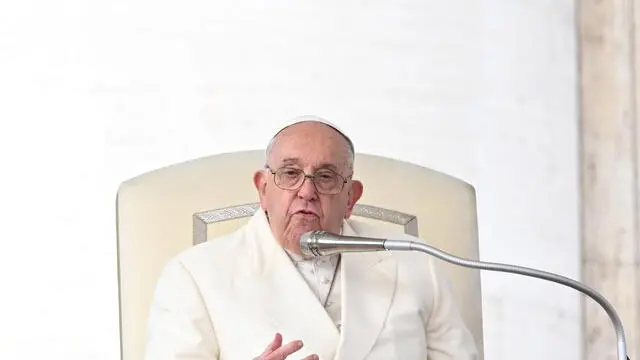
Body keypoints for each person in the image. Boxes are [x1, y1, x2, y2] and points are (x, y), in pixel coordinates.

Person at [144, 116, 479, 360]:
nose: (306, 191)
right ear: (263, 189)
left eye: (326, 177)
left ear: (351, 198)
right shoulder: (194, 275)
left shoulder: (415, 262)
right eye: (290, 173)